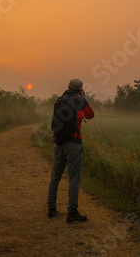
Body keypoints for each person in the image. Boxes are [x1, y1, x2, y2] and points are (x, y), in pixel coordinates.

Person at [47, 78, 94, 223]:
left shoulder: (59, 100)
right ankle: (72, 212)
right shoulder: (81, 102)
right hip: (74, 143)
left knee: (55, 176)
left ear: (68, 87)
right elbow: (90, 115)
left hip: (59, 142)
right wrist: (83, 98)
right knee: (74, 179)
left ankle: (51, 208)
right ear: (80, 89)